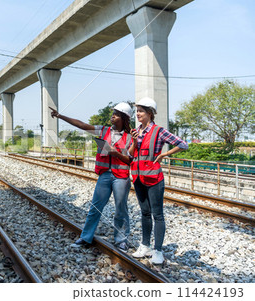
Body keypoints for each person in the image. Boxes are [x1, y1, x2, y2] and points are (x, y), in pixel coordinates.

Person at [50, 103, 133, 251]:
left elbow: (130, 160)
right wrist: (60, 116)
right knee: (95, 206)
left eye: (116, 114)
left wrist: (116, 153)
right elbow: (82, 125)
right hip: (105, 175)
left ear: (124, 118)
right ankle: (85, 236)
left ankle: (121, 240)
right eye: (112, 113)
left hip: (121, 176)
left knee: (121, 208)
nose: (112, 116)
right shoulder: (103, 130)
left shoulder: (130, 137)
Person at [128, 97, 188, 264]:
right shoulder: (136, 131)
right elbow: (130, 153)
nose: (138, 114)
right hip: (138, 177)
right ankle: (145, 246)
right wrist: (133, 140)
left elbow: (183, 144)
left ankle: (158, 251)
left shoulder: (159, 131)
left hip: (154, 178)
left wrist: (164, 154)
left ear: (150, 113)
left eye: (141, 111)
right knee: (145, 213)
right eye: (137, 111)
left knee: (157, 214)